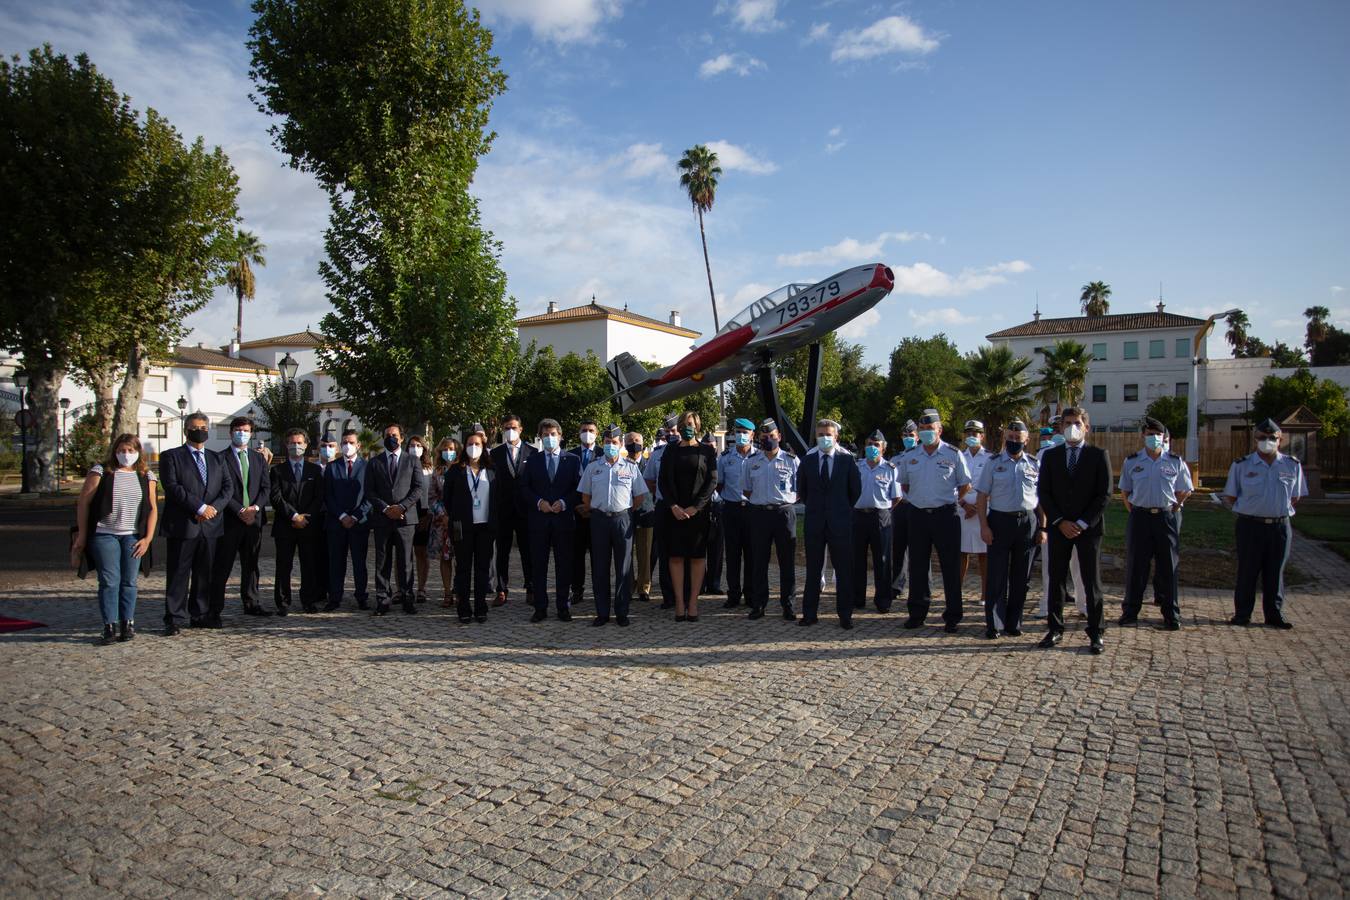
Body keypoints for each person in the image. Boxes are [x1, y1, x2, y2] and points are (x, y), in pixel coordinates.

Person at [1036, 407, 1111, 653]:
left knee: (1091, 581)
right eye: (1067, 423)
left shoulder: (1098, 455)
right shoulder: (1051, 456)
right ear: (1060, 427)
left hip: (1087, 529)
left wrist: (1080, 523)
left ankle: (1095, 632)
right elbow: (1044, 492)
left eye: (1077, 423)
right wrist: (1059, 521)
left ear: (1086, 427)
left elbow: (1104, 495)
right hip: (1059, 528)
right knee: (1056, 580)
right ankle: (1055, 628)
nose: (1072, 427)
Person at [73, 434, 158, 644]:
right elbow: (84, 503)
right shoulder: (101, 472)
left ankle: (127, 623)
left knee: (129, 581)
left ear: (138, 452)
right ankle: (109, 625)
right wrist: (83, 534)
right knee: (110, 581)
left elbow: (153, 508)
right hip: (105, 534)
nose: (126, 455)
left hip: (132, 535)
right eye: (121, 450)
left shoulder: (146, 476)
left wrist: (147, 538)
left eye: (130, 450)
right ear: (115, 451)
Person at [1222, 418, 1306, 629]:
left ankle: (1274, 614)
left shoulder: (1291, 465)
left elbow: (1294, 497)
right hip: (1250, 525)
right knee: (1247, 571)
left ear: (1280, 440)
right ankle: (1242, 614)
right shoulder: (1242, 465)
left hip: (1279, 526)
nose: (1267, 441)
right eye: (1262, 438)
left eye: (1272, 438)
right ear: (1255, 439)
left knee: (1275, 571)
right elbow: (1231, 496)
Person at [899, 409, 971, 633]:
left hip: (945, 515)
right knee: (918, 566)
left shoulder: (953, 454)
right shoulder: (910, 456)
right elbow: (905, 485)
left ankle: (952, 616)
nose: (926, 433)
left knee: (950, 567)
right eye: (923, 429)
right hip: (918, 515)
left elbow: (964, 484)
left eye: (930, 429)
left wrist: (950, 501)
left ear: (939, 430)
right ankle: (917, 613)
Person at [159, 412, 232, 634]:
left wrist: (213, 509)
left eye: (203, 427)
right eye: (194, 427)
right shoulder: (171, 456)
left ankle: (200, 614)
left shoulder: (216, 458)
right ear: (186, 430)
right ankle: (174, 617)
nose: (199, 430)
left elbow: (227, 487)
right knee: (179, 573)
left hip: (210, 525)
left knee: (205, 573)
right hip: (184, 524)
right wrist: (199, 507)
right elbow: (172, 487)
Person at [1118, 417, 1193, 630]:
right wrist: (1135, 510)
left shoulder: (1175, 461)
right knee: (1136, 567)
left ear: (1164, 437)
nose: (1154, 438)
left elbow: (1184, 490)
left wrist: (1173, 508)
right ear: (1143, 436)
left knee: (1168, 567)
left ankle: (1171, 614)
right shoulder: (1132, 461)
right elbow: (1125, 491)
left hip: (1165, 518)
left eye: (1158, 434)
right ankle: (1130, 612)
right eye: (1150, 434)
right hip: (1140, 518)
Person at [975, 421, 1044, 639]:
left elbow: (1042, 500)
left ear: (1027, 440)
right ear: (1006, 438)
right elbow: (982, 496)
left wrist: (1043, 527)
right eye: (1010, 437)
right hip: (999, 521)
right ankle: (994, 623)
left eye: (1018, 438)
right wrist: (984, 526)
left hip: (1027, 522)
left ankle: (1014, 623)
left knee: (1020, 577)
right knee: (996, 575)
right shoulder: (993, 463)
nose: (1014, 441)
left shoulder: (1034, 464)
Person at [581, 424, 649, 626]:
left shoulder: (630, 466)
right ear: (603, 443)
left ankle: (622, 611)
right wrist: (597, 509)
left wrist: (625, 511)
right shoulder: (593, 467)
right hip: (600, 519)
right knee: (600, 567)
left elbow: (639, 496)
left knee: (623, 568)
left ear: (620, 445)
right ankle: (602, 612)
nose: (611, 445)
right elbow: (585, 496)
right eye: (608, 442)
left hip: (622, 519)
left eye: (614, 443)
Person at [799, 420, 863, 628]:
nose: (824, 437)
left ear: (836, 437)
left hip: (840, 523)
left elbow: (855, 491)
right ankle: (809, 613)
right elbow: (803, 491)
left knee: (844, 570)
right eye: (820, 434)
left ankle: (845, 614)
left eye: (828, 434)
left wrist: (840, 509)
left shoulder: (847, 460)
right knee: (813, 570)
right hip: (815, 522)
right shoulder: (807, 461)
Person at [658, 411, 718, 622]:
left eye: (690, 423)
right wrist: (673, 505)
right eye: (683, 423)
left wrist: (696, 507)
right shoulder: (670, 450)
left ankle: (693, 603)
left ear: (697, 425)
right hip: (674, 513)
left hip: (697, 514)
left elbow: (712, 482)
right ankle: (679, 603)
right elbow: (662, 481)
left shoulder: (706, 451)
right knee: (675, 557)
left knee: (697, 557)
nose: (686, 427)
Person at [210, 416, 271, 622]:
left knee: (251, 564)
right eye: (237, 429)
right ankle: (215, 608)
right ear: (230, 432)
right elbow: (219, 490)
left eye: (245, 430)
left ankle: (252, 603)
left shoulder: (258, 458)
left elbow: (265, 488)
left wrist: (254, 508)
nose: (241, 433)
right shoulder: (219, 458)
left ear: (251, 433)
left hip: (253, 521)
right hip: (229, 520)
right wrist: (239, 510)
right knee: (222, 565)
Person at [522, 418, 582, 623]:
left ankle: (563, 606)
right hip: (539, 521)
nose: (549, 438)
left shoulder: (573, 460)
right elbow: (524, 488)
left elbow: (579, 489)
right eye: (545, 435)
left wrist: (564, 503)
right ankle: (540, 607)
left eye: (553, 434)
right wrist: (539, 502)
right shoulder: (533, 460)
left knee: (564, 565)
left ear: (560, 436)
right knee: (538, 566)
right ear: (540, 437)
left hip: (563, 520)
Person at [365, 423, 424, 616]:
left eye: (395, 435)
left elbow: (418, 489)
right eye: (388, 435)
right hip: (382, 519)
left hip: (405, 519)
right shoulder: (375, 462)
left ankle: (408, 597)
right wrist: (385, 508)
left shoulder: (412, 460)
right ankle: (383, 599)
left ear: (401, 438)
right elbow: (369, 491)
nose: (391, 438)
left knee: (405, 561)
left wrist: (401, 507)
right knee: (382, 561)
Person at [745, 418, 799, 621]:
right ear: (759, 438)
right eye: (764, 437)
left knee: (787, 562)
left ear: (779, 437)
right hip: (759, 513)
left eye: (772, 436)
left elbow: (799, 489)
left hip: (784, 513)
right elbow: (747, 489)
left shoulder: (792, 461)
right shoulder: (752, 462)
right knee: (759, 561)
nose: (768, 439)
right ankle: (758, 605)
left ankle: (788, 605)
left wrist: (781, 501)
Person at [447, 431, 499, 623]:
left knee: (482, 569)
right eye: (470, 444)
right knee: (463, 569)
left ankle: (480, 607)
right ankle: (463, 608)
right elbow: (448, 498)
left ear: (483, 446)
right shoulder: (456, 470)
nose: (474, 447)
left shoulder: (492, 469)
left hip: (485, 526)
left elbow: (498, 497)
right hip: (463, 527)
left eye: (477, 444)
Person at [270, 428, 324, 615]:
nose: (296, 446)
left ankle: (309, 600)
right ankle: (283, 602)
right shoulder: (277, 471)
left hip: (308, 526)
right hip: (285, 525)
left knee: (309, 564)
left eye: (299, 443)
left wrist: (305, 517)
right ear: (286, 445)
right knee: (284, 565)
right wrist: (294, 516)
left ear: (306, 445)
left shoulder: (315, 470)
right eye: (292, 443)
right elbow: (276, 498)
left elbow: (319, 498)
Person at [1034, 419, 1084, 618]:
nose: (1061, 431)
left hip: (1080, 522)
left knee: (1080, 566)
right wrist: (1049, 520)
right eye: (1057, 428)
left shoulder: (1089, 453)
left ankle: (1084, 604)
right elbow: (1041, 491)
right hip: (1054, 519)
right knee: (1051, 567)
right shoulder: (1045, 454)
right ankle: (1048, 604)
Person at [853, 429, 902, 613]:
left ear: (883, 448)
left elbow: (896, 497)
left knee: (882, 560)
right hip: (858, 516)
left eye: (876, 445)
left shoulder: (891, 469)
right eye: (869, 444)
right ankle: (857, 598)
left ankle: (883, 600)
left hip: (880, 516)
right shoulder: (857, 467)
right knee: (857, 559)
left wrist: (884, 510)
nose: (872, 448)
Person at [490, 414, 535, 608]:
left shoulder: (532, 452)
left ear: (521, 429)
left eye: (514, 427)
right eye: (507, 427)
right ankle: (501, 589)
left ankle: (531, 588)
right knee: (502, 552)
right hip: (503, 509)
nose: (510, 430)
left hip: (525, 510)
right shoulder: (495, 453)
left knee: (528, 551)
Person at [323, 429, 370, 611]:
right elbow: (328, 495)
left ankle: (361, 596)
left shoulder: (367, 467)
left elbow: (370, 496)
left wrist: (356, 516)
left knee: (359, 562)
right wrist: (342, 516)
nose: (347, 445)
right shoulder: (332, 467)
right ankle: (334, 597)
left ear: (358, 445)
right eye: (344, 442)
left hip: (359, 523)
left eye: (351, 442)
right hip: (337, 522)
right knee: (336, 562)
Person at [717, 417, 761, 609]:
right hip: (732, 509)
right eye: (738, 432)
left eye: (745, 432)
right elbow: (719, 484)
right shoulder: (725, 457)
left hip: (752, 510)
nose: (741, 435)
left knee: (752, 554)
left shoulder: (759, 457)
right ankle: (733, 594)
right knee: (733, 555)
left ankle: (751, 594)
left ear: (753, 435)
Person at [643, 416, 680, 609]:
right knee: (664, 552)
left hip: (685, 510)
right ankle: (668, 595)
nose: (672, 434)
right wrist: (661, 494)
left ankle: (684, 594)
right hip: (664, 508)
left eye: (675, 430)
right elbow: (649, 480)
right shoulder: (657, 454)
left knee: (683, 552)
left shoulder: (690, 451)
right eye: (669, 431)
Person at [958, 420, 991, 600]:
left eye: (975, 433)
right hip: (962, 510)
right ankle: (956, 593)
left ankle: (985, 595)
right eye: (968, 433)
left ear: (982, 436)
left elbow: (993, 485)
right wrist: (963, 504)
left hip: (982, 513)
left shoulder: (990, 458)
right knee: (961, 554)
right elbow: (952, 484)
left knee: (983, 555)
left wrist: (977, 507)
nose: (971, 436)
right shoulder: (958, 456)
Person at [569, 419, 600, 606]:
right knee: (576, 556)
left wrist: (591, 506)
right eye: (583, 430)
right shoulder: (570, 455)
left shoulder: (604, 454)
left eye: (590, 430)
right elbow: (567, 484)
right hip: (575, 513)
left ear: (596, 434)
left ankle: (599, 592)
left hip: (596, 513)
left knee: (598, 556)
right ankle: (577, 590)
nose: (587, 433)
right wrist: (577, 505)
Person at [426, 438, 460, 609]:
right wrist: (442, 514)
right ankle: (447, 592)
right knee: (445, 558)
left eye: (452, 448)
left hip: (459, 520)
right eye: (445, 448)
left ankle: (460, 590)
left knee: (461, 557)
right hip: (441, 522)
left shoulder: (463, 469)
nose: (449, 451)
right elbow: (432, 497)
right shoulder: (437, 472)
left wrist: (454, 515)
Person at [889, 420, 918, 599]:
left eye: (911, 436)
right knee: (898, 548)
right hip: (900, 507)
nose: (908, 438)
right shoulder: (895, 460)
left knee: (919, 548)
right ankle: (897, 585)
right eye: (905, 436)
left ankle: (919, 586)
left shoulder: (923, 456)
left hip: (917, 506)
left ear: (918, 437)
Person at [626, 432, 655, 603]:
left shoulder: (649, 464)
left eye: (637, 441)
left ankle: (644, 587)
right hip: (627, 515)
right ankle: (628, 585)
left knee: (645, 553)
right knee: (626, 554)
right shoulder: (621, 465)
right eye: (629, 441)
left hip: (646, 513)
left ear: (643, 444)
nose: (633, 444)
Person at [407, 435, 433, 604]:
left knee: (421, 552)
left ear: (424, 448)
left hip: (424, 512)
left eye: (418, 445)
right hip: (406, 511)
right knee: (403, 553)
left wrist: (428, 515)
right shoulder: (403, 465)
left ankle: (421, 588)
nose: (415, 448)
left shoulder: (429, 469)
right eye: (412, 445)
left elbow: (432, 494)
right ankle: (402, 588)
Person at [313, 435, 337, 602]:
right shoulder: (313, 468)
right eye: (323, 445)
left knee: (334, 555)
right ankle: (318, 589)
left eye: (331, 445)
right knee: (317, 555)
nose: (327, 448)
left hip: (336, 517)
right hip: (317, 517)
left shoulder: (340, 467)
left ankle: (333, 588)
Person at [701, 432, 726, 595]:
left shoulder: (721, 461)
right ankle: (700, 583)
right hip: (702, 508)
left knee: (717, 550)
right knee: (699, 548)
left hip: (717, 507)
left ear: (716, 447)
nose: (710, 449)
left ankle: (714, 584)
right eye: (707, 446)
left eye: (712, 446)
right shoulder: (699, 462)